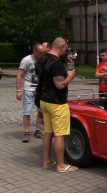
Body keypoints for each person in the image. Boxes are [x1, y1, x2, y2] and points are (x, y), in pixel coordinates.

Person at [39, 37, 78, 172]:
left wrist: (68, 65)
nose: (66, 52)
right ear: (61, 48)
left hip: (44, 101)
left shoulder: (43, 58)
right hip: (57, 103)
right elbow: (60, 85)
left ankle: (46, 161)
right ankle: (61, 165)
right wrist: (70, 77)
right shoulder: (56, 63)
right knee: (60, 134)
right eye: (65, 49)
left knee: (48, 132)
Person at [16, 43, 46, 142]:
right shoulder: (27, 60)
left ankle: (38, 131)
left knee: (41, 111)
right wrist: (19, 90)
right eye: (40, 53)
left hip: (40, 90)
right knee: (27, 111)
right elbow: (20, 75)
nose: (42, 55)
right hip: (29, 89)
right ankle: (26, 133)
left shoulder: (43, 60)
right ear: (35, 51)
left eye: (43, 53)